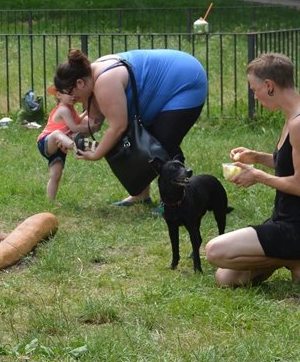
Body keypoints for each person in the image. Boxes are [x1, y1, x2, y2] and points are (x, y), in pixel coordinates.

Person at [53, 48, 207, 206]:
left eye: (72, 95)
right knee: (138, 139)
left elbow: (118, 127)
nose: (73, 100)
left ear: (80, 83)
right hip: (167, 83)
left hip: (186, 81)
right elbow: (94, 122)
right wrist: (69, 136)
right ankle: (141, 195)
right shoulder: (91, 79)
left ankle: (177, 201)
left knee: (162, 143)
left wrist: (96, 154)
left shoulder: (105, 82)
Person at [206, 53, 300, 286]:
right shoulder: (291, 118)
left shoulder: (298, 123)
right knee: (226, 276)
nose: (254, 95)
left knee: (214, 251)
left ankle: (295, 256)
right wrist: (257, 157)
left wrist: (257, 176)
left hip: (294, 225)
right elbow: (290, 164)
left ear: (269, 86)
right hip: (283, 218)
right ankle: (291, 259)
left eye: (254, 88)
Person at [37, 85, 92, 201]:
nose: (73, 96)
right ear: (58, 95)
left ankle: (50, 202)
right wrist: (90, 126)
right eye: (69, 93)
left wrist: (87, 112)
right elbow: (75, 127)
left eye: (74, 93)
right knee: (58, 133)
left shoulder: (71, 109)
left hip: (60, 148)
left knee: (56, 175)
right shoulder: (63, 109)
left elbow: (77, 121)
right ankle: (78, 147)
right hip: (47, 141)